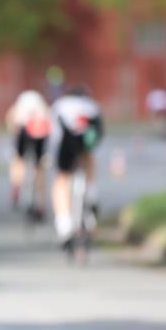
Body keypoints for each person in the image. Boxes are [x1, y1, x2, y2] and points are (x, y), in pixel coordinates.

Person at [48, 86, 104, 248]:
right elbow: (100, 132)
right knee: (89, 159)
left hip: (66, 139)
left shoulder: (61, 104)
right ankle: (92, 194)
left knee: (62, 179)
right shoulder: (92, 105)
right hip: (87, 138)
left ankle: (64, 224)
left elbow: (54, 134)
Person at [5, 89, 51, 219]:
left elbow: (11, 118)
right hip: (39, 128)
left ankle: (16, 188)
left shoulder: (20, 102)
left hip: (23, 127)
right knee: (40, 165)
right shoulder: (40, 102)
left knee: (18, 160)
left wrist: (14, 133)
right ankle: (41, 203)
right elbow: (48, 119)